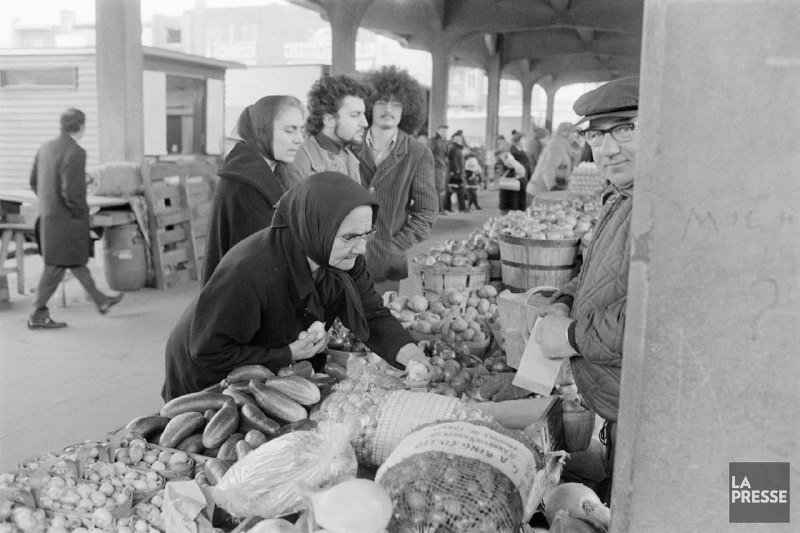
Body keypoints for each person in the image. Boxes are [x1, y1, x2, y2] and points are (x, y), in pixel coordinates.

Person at [162, 172, 429, 400]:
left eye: (367, 234)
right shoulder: (251, 271)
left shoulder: (342, 257)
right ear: (316, 228)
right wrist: (286, 353)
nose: (360, 248)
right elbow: (208, 351)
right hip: (205, 373)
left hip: (261, 370)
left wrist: (413, 357)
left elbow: (371, 314)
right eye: (349, 237)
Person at [533, 76, 640, 498]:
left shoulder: (671, 203)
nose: (608, 148)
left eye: (627, 129)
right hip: (625, 411)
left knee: (753, 515)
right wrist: (564, 300)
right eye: (596, 134)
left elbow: (658, 318)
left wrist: (571, 335)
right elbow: (604, 272)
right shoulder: (625, 195)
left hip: (664, 419)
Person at [27, 108, 123, 329]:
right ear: (79, 126)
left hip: (49, 218)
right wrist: (82, 214)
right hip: (68, 220)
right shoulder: (76, 151)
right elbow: (71, 191)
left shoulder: (46, 148)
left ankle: (101, 301)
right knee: (56, 267)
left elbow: (34, 181)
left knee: (75, 262)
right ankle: (36, 314)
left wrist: (49, 202)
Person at [202, 95, 304, 284]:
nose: (299, 139)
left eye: (301, 130)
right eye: (290, 130)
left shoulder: (272, 172)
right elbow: (256, 265)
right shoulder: (246, 184)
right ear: (261, 132)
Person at [356, 66, 438, 296]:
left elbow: (426, 213)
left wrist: (395, 245)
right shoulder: (351, 144)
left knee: (380, 328)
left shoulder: (418, 153)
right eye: (382, 102)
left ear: (406, 110)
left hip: (385, 269)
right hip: (344, 261)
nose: (389, 109)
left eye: (397, 104)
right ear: (370, 104)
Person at [293, 75, 369, 182]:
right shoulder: (297, 159)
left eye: (363, 114)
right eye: (355, 115)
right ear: (329, 120)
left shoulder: (351, 159)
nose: (364, 123)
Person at [527, 122, 575, 204]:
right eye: (573, 133)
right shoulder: (557, 145)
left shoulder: (560, 144)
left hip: (541, 191)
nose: (574, 136)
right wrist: (554, 190)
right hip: (541, 193)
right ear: (565, 133)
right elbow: (548, 169)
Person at [444, 130, 467, 213]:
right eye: (456, 139)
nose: (458, 140)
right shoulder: (453, 148)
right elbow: (452, 160)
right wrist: (456, 171)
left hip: (458, 172)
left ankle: (450, 207)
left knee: (453, 190)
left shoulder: (458, 148)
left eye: (459, 139)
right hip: (455, 173)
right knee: (456, 190)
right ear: (453, 139)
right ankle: (461, 208)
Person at [429, 124, 449, 213]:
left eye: (445, 131)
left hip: (441, 168)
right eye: (443, 130)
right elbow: (429, 153)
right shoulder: (434, 141)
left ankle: (440, 208)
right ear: (438, 131)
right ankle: (439, 209)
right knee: (437, 188)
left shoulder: (443, 141)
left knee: (440, 188)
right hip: (436, 167)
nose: (445, 132)